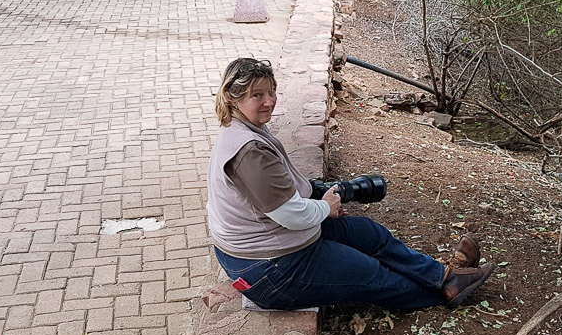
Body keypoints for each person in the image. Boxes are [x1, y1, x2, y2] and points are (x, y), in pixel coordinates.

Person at [207, 57, 495, 310]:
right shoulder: (248, 151)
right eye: (257, 95)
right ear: (234, 98)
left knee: (370, 234)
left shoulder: (241, 125)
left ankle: (446, 276)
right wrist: (324, 208)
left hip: (270, 247)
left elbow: (278, 194)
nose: (269, 101)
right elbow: (289, 215)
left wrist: (319, 199)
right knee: (371, 275)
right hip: (270, 269)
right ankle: (445, 292)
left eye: (271, 92)